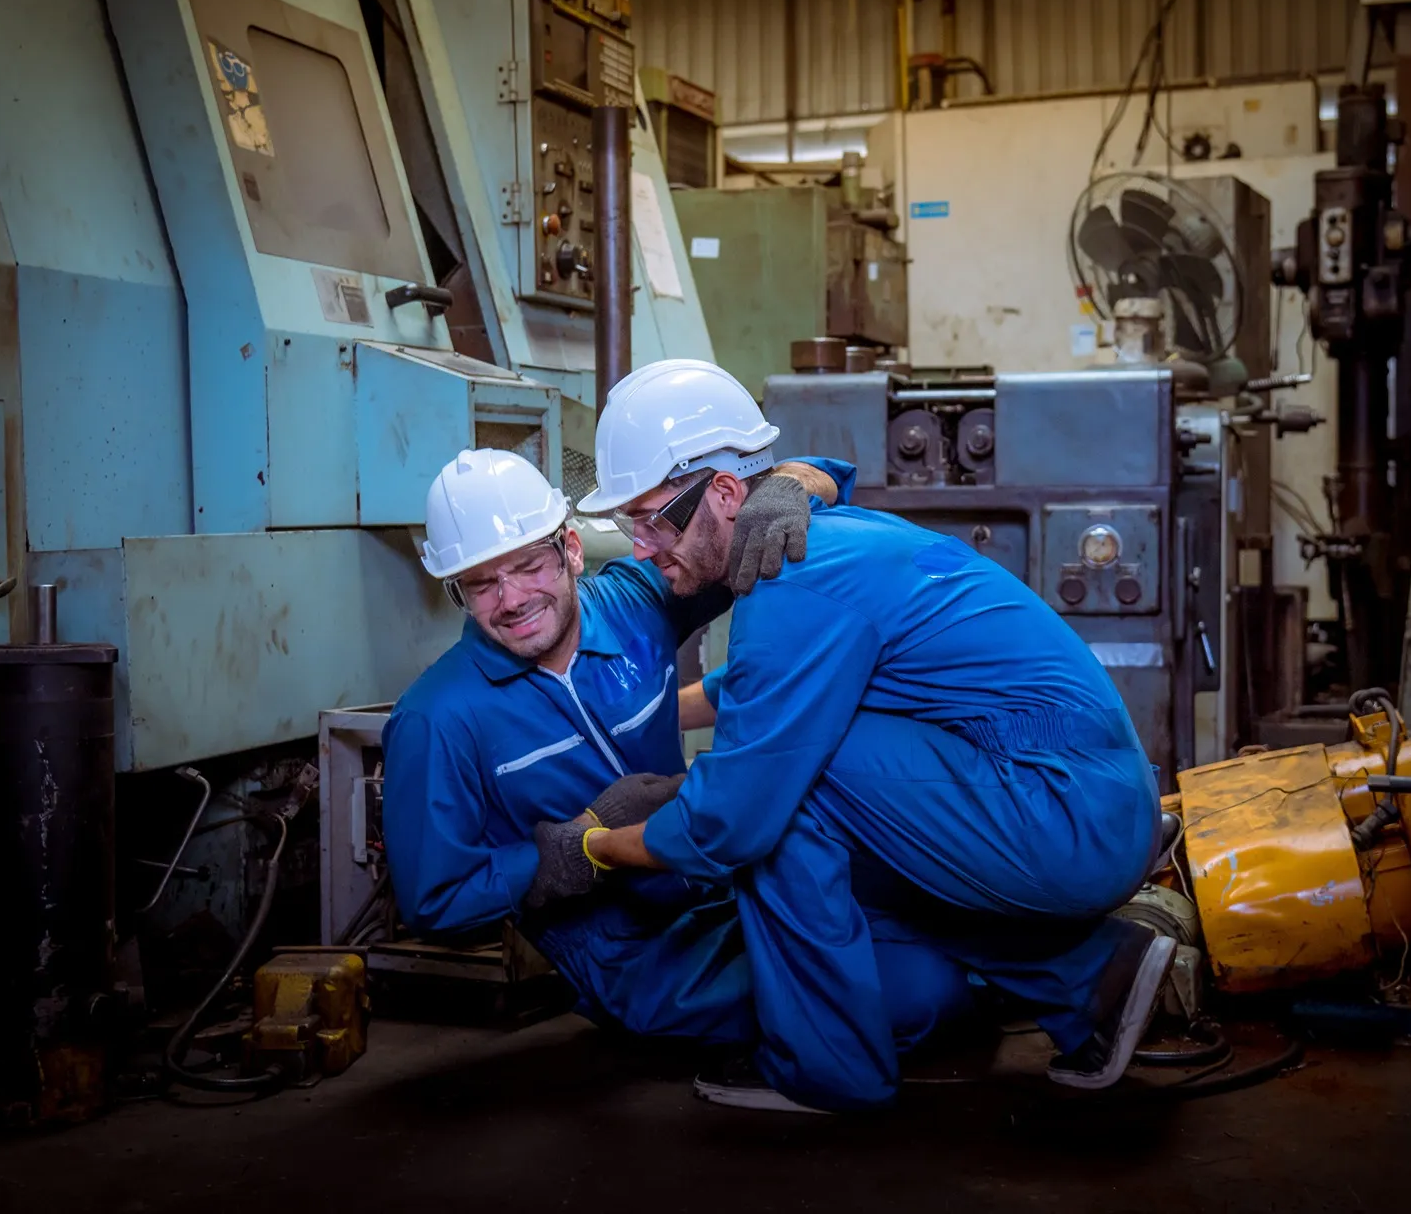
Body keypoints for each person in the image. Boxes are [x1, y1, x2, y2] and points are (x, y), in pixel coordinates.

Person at [532, 358, 1175, 1114]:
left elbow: (729, 823)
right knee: (820, 799)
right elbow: (773, 690)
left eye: (650, 519)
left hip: (1067, 819)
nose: (640, 546)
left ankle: (826, 1065)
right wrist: (643, 710)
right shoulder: (817, 540)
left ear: (728, 493)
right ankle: (1089, 976)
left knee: (787, 798)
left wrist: (594, 846)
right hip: (1086, 802)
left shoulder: (791, 583)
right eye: (628, 524)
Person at [379, 443, 975, 1075]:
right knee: (922, 993)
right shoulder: (437, 718)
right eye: (481, 584)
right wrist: (559, 857)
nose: (512, 598)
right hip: (636, 954)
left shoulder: (635, 604)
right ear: (459, 593)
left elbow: (811, 482)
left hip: (725, 879)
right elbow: (433, 899)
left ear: (571, 551)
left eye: (528, 566)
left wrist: (785, 490)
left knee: (953, 918)